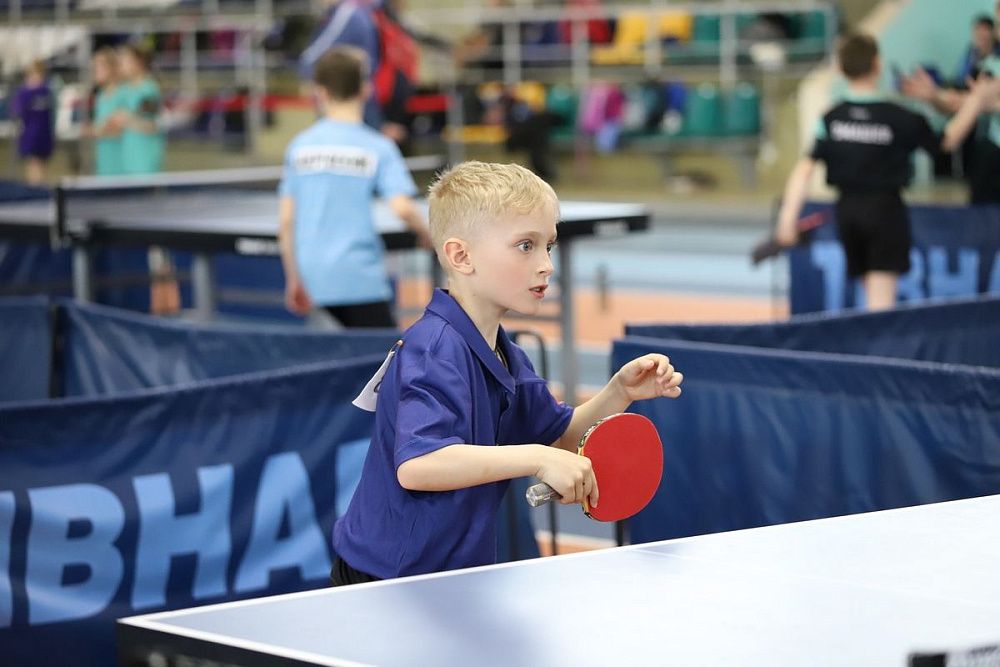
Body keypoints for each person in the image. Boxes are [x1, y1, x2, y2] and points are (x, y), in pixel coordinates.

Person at [330, 160, 684, 584]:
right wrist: (537, 458)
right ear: (461, 256)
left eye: (548, 246)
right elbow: (420, 463)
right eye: (525, 245)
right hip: (388, 577)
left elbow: (560, 436)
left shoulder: (505, 353)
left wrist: (618, 392)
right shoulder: (434, 349)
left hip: (450, 574)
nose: (546, 264)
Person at [776, 33, 943, 311]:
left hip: (848, 212)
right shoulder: (901, 117)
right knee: (880, 303)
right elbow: (945, 144)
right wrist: (972, 102)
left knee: (870, 295)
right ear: (878, 64)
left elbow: (804, 169)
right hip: (885, 212)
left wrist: (787, 218)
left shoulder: (831, 118)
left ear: (841, 69)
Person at [279, 46, 429, 328]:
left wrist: (294, 278)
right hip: (359, 278)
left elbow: (287, 221)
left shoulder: (299, 146)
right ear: (366, 89)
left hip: (313, 276)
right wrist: (427, 233)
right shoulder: (378, 147)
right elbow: (403, 208)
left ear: (320, 92)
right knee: (382, 356)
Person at [901, 1, 1000, 203]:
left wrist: (986, 103)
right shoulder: (992, 65)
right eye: (998, 24)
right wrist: (934, 95)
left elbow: (978, 101)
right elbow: (962, 103)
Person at [116, 44, 165, 175]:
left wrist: (127, 119)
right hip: (127, 161)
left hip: (145, 162)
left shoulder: (149, 89)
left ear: (138, 62)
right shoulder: (124, 89)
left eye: (124, 61)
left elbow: (152, 126)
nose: (121, 65)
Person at [12, 60, 54, 185]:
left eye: (39, 75)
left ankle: (39, 189)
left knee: (41, 167)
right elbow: (17, 111)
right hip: (31, 136)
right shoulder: (25, 93)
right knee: (33, 166)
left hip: (43, 135)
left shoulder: (45, 91)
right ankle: (35, 189)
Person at [88, 47, 125, 176]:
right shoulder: (100, 96)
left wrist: (96, 130)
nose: (95, 71)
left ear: (111, 68)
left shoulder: (123, 93)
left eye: (98, 67)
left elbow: (120, 129)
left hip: (121, 167)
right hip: (104, 165)